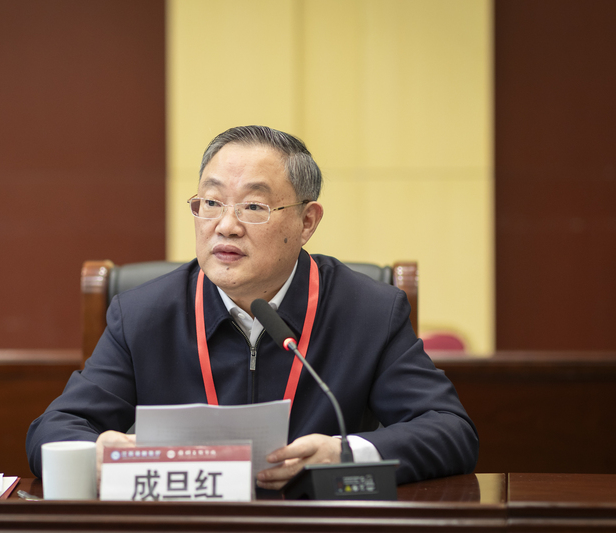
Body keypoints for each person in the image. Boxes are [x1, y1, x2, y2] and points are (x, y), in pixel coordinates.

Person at [26, 125, 478, 489]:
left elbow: (450, 431)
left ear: (307, 221)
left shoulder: (368, 312)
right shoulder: (145, 314)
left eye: (254, 206)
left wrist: (343, 453)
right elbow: (55, 427)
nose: (226, 225)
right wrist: (95, 455)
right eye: (211, 202)